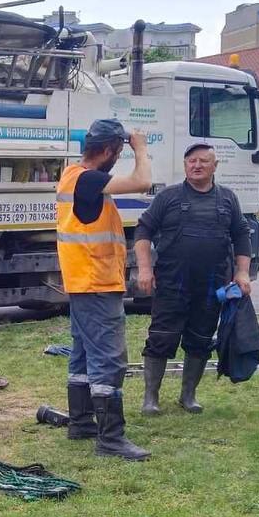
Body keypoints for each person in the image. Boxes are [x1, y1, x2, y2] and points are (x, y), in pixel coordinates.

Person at [57, 119, 152, 460]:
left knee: (83, 353)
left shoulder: (72, 175)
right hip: (97, 282)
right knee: (109, 359)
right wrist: (140, 146)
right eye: (119, 152)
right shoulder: (90, 180)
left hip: (83, 282)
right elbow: (144, 181)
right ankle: (111, 440)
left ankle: (82, 423)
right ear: (110, 151)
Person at [134, 144, 253, 415]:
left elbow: (242, 235)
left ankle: (188, 396)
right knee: (161, 339)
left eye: (203, 161)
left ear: (215, 166)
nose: (196, 165)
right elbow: (144, 230)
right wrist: (144, 269)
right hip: (172, 282)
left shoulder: (227, 199)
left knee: (200, 340)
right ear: (185, 165)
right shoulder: (169, 196)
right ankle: (150, 398)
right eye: (191, 161)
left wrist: (242, 272)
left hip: (211, 285)